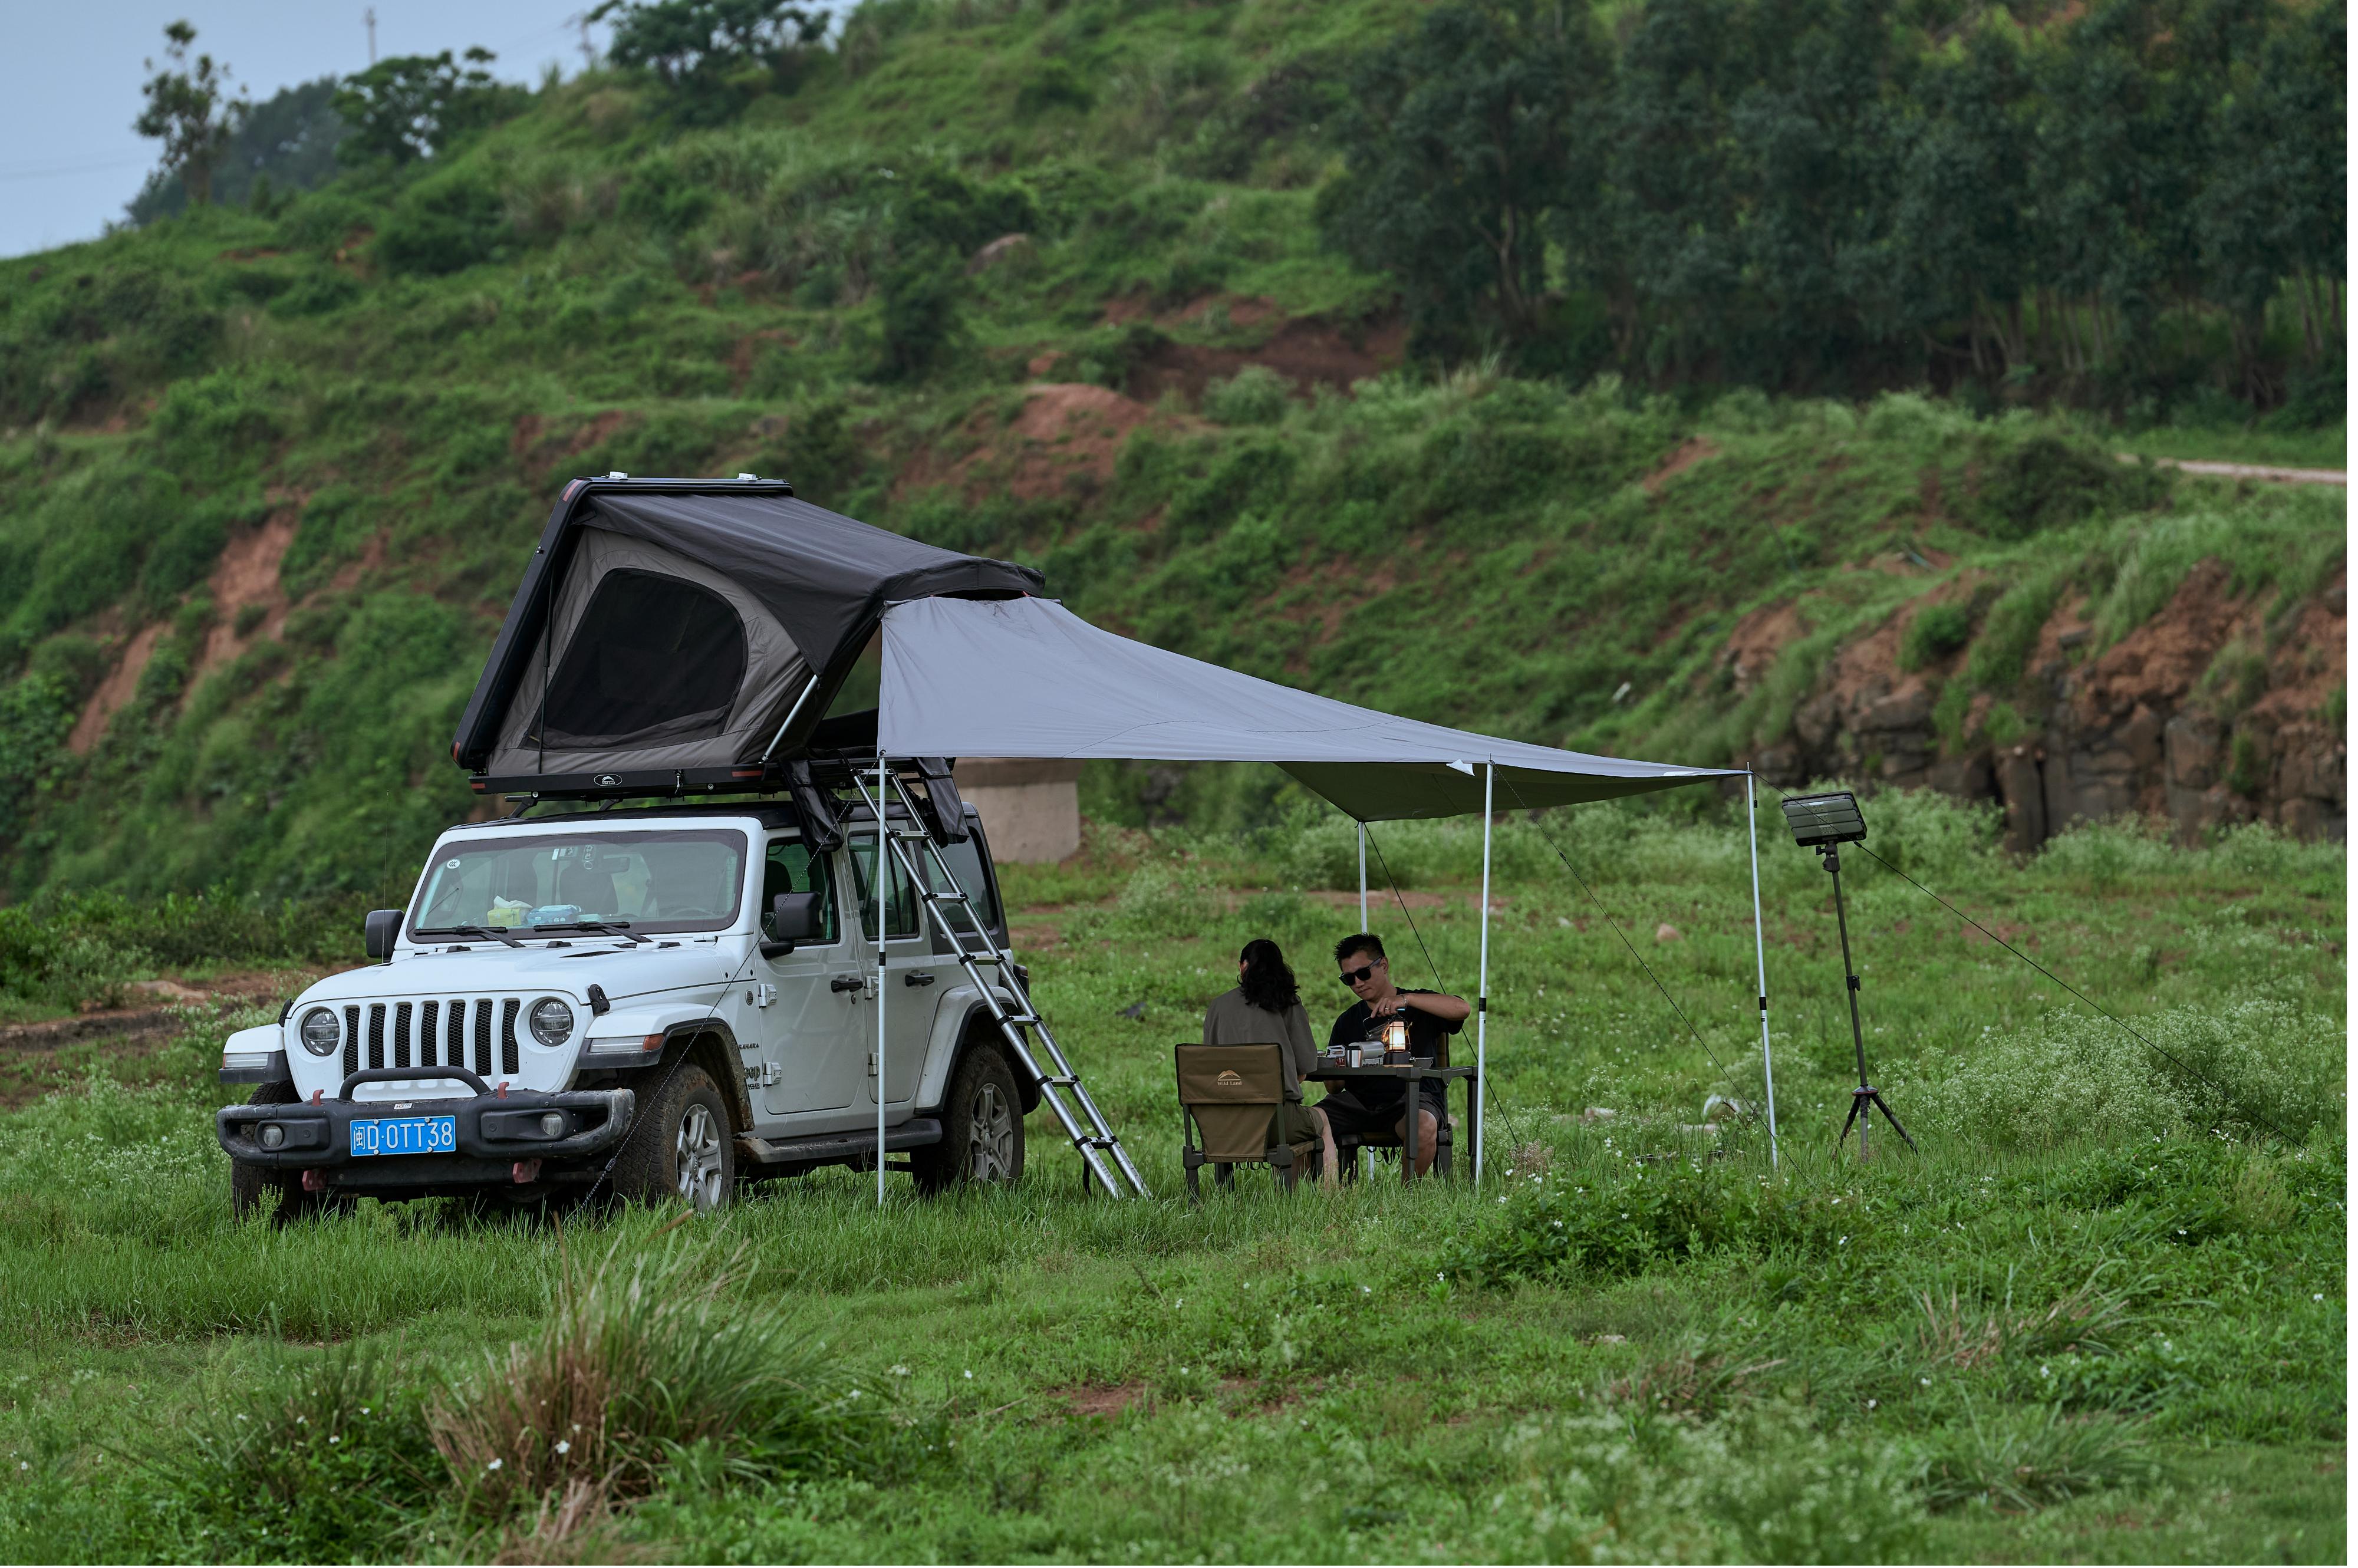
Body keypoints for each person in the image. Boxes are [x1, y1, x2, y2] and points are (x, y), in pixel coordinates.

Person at [1323, 932, 1468, 1176]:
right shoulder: (1347, 1021)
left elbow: (1461, 1009)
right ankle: (1297, 1202)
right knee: (1307, 1123)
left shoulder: (1418, 1004)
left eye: (1363, 973)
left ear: (1384, 965)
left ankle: (1407, 1196)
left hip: (1413, 1098)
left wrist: (1406, 1000)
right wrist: (1337, 1065)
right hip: (1360, 1104)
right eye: (1348, 979)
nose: (1357, 983)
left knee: (1422, 1125)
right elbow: (1334, 1088)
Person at [1201, 938, 1338, 1187]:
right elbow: (1307, 1065)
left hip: (1224, 1126)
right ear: (1279, 969)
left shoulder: (1218, 1007)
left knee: (1291, 1117)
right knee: (1321, 1119)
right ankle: (1328, 1197)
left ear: (1243, 967)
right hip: (1276, 1124)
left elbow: (1211, 1064)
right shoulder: (1288, 1003)